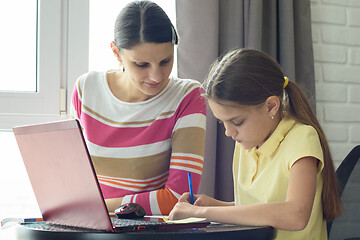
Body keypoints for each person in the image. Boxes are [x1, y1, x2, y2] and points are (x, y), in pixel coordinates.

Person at [168, 48, 341, 239]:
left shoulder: (302, 137)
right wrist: (213, 205)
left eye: (237, 122)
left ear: (271, 106)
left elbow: (295, 215)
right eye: (222, 122)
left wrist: (201, 213)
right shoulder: (245, 143)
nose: (228, 132)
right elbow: (259, 209)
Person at [70, 0, 206, 216]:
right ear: (116, 53)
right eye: (141, 64)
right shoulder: (86, 90)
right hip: (90, 225)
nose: (157, 76)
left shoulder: (188, 96)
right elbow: (74, 184)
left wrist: (99, 207)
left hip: (150, 230)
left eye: (166, 61)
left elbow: (178, 198)